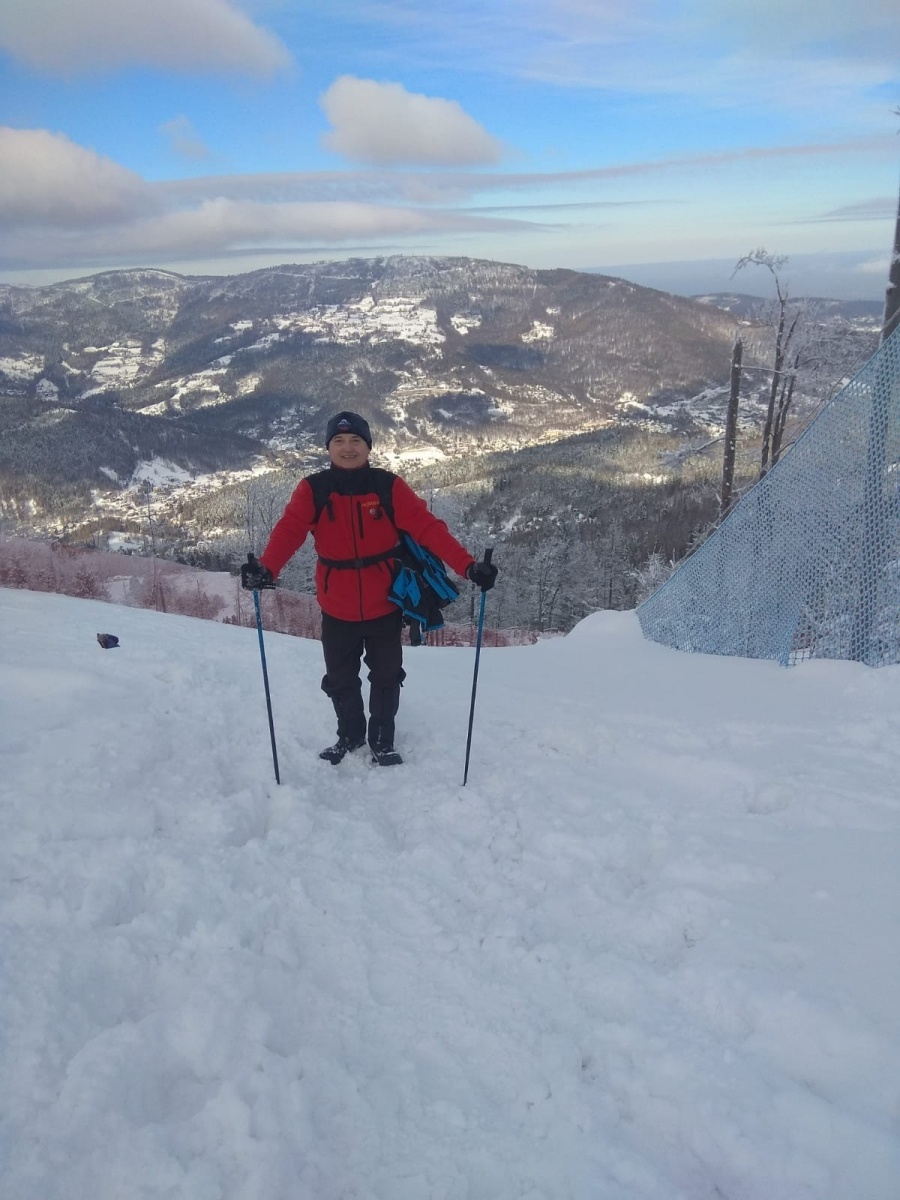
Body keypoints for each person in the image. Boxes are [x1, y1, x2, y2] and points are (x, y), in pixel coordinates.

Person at [241, 411, 498, 766]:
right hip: (336, 606)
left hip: (385, 604)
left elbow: (428, 528)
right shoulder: (313, 489)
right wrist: (266, 568)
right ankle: (349, 735)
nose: (347, 448)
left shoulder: (387, 486)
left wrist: (468, 567)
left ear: (368, 446)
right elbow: (290, 530)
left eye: (355, 441)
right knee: (340, 678)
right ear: (328, 447)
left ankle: (381, 739)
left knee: (387, 676)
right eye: (339, 441)